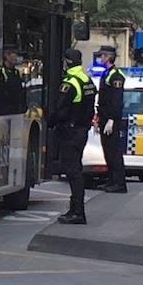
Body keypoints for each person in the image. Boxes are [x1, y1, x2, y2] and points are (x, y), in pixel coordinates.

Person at [50, 48, 94, 224]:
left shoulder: (70, 83)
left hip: (70, 132)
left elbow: (60, 110)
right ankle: (76, 209)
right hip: (81, 130)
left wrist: (51, 122)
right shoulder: (87, 80)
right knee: (76, 170)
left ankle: (77, 211)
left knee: (73, 172)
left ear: (67, 62)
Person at [96, 44, 128, 193]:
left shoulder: (116, 76)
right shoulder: (107, 74)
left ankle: (119, 183)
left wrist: (112, 120)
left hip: (111, 120)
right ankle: (111, 180)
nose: (100, 58)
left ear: (108, 57)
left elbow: (116, 101)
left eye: (102, 56)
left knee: (114, 152)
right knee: (108, 151)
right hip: (104, 118)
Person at [0, 46, 27, 116]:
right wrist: (3, 110)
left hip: (16, 114)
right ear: (7, 56)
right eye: (14, 53)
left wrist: (22, 108)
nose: (16, 57)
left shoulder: (17, 73)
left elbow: (21, 92)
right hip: (2, 115)